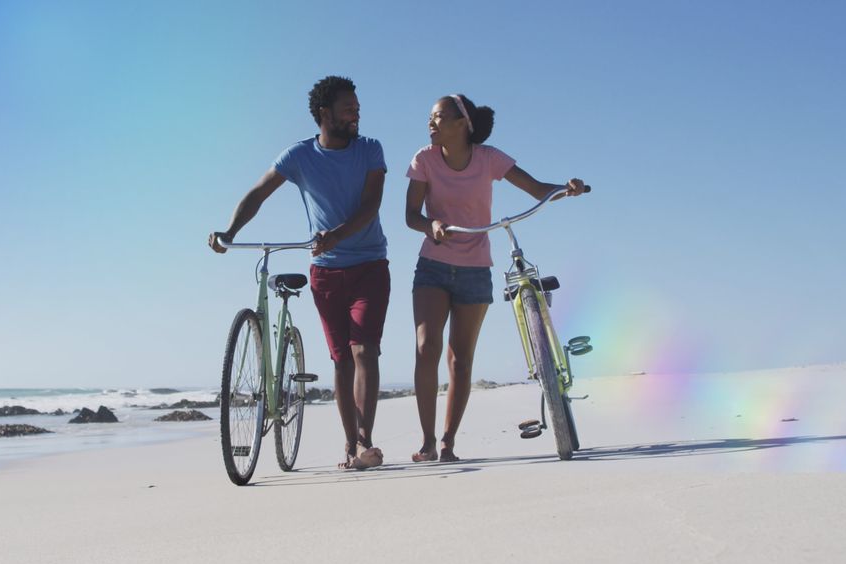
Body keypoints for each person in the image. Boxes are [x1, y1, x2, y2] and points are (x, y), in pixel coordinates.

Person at [209, 76, 390, 470]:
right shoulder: (299, 156)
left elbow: (370, 206)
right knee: (341, 360)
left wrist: (336, 236)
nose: (357, 113)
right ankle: (348, 444)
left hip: (370, 265)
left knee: (364, 350)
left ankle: (364, 442)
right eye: (349, 108)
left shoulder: (370, 150)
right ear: (325, 114)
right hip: (326, 272)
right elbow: (258, 193)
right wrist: (230, 232)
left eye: (358, 107)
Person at [404, 93, 587, 462]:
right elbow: (411, 215)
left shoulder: (488, 159)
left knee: (460, 360)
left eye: (438, 117)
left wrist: (567, 190)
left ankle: (447, 442)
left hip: (475, 270)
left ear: (462, 124)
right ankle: (426, 440)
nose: (431, 123)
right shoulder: (424, 159)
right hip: (433, 266)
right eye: (430, 117)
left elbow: (536, 189)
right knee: (427, 348)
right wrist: (431, 224)